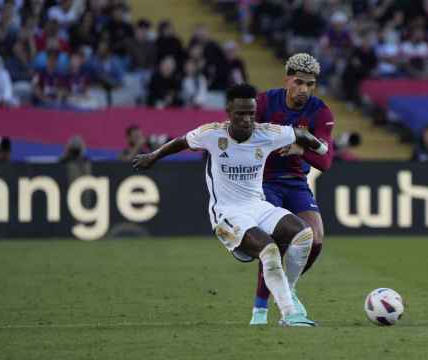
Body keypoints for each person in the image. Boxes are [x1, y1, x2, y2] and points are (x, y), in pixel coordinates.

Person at [132, 83, 329, 327]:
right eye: (241, 114)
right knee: (269, 251)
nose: (247, 120)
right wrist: (153, 157)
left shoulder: (266, 133)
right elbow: (181, 142)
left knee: (303, 235)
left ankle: (286, 291)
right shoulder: (212, 134)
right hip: (227, 213)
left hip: (257, 206)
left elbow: (299, 134)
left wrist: (322, 148)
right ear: (228, 111)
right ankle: (291, 314)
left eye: (251, 114)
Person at [249, 53, 334, 325]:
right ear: (287, 80)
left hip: (296, 182)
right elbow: (244, 134)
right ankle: (259, 312)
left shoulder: (320, 112)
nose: (304, 90)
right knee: (275, 242)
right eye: (299, 82)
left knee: (316, 239)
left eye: (310, 84)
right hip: (264, 181)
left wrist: (300, 148)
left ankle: (289, 289)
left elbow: (326, 160)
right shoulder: (264, 102)